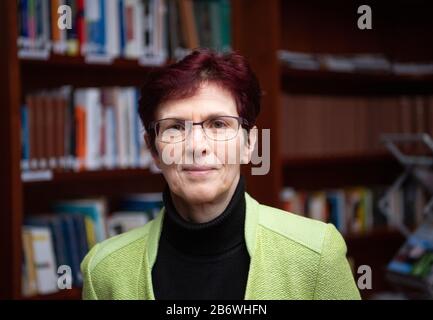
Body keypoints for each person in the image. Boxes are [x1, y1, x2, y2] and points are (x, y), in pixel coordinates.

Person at [81, 49, 361, 300]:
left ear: (249, 143)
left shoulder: (315, 254)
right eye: (176, 127)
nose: (197, 146)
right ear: (153, 149)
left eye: (218, 124)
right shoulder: (104, 272)